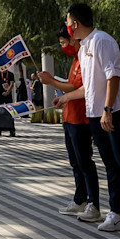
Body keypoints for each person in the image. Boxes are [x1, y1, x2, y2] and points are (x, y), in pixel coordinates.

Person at [65, 3, 120, 234]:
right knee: (111, 165)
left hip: (115, 111)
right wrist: (65, 98)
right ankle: (117, 214)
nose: (67, 26)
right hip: (96, 112)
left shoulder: (102, 40)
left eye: (67, 22)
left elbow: (114, 76)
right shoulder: (83, 48)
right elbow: (89, 86)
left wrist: (108, 109)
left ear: (76, 23)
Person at [39, 33, 101, 222]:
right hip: (70, 117)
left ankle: (94, 204)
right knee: (75, 162)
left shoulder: (84, 57)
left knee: (85, 162)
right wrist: (62, 98)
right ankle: (80, 199)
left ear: (74, 39)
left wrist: (51, 82)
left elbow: (77, 87)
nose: (63, 46)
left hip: (81, 118)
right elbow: (71, 88)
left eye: (64, 42)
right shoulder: (75, 59)